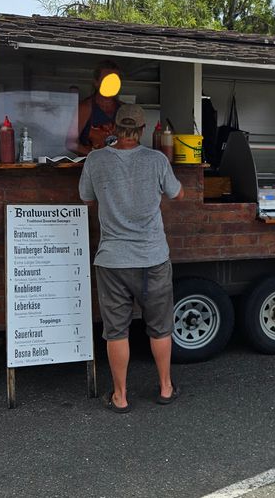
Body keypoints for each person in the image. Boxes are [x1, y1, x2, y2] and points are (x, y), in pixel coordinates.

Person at [78, 103, 184, 413]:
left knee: (117, 331)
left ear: (113, 128)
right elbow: (177, 194)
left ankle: (120, 396)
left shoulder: (95, 161)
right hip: (153, 257)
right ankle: (165, 388)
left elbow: (86, 197)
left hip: (112, 261)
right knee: (161, 327)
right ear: (140, 130)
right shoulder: (157, 160)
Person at [67, 65, 124, 156]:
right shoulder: (85, 107)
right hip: (92, 166)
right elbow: (71, 144)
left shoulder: (124, 109)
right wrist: (95, 156)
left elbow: (133, 140)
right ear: (96, 82)